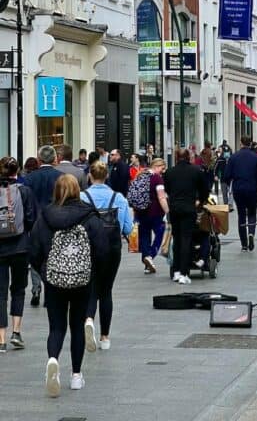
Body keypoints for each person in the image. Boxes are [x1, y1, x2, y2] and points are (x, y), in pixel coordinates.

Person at [29, 174, 109, 396]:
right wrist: (94, 272)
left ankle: (53, 359)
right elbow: (103, 249)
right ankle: (76, 375)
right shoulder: (89, 216)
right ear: (78, 190)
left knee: (56, 327)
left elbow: (33, 250)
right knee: (76, 326)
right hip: (83, 281)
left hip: (54, 280)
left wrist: (45, 271)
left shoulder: (45, 217)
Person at [81, 160, 133, 353]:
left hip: (89, 246)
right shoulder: (118, 198)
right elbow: (127, 227)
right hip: (111, 247)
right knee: (107, 290)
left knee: (91, 287)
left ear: (90, 176)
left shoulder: (82, 197)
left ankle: (88, 319)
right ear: (107, 176)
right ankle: (105, 337)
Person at [0, 157, 36, 352]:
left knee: (0, 292)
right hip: (21, 247)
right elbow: (31, 219)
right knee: (19, 290)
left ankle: (1, 339)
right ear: (18, 171)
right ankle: (16, 332)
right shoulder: (24, 191)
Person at [163, 149, 210, 283]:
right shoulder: (196, 171)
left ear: (176, 158)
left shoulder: (169, 172)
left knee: (176, 239)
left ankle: (176, 270)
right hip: (189, 208)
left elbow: (167, 190)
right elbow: (204, 190)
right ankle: (184, 273)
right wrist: (200, 202)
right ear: (189, 157)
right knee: (186, 240)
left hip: (174, 209)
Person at [25, 145, 61, 308]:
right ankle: (50, 290)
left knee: (35, 257)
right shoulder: (60, 177)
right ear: (55, 159)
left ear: (39, 160)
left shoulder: (30, 179)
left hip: (35, 224)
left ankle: (36, 288)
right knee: (53, 256)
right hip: (55, 222)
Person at [224, 136, 257, 252]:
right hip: (252, 188)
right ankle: (251, 233)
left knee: (241, 215)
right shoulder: (256, 158)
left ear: (241, 143)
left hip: (239, 188)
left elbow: (227, 175)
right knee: (252, 213)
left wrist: (230, 184)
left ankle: (243, 243)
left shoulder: (234, 157)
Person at [136, 158, 169, 274]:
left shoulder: (140, 175)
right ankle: (150, 255)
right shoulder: (157, 178)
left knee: (144, 235)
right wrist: (167, 211)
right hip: (155, 211)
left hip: (141, 211)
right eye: (162, 168)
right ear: (156, 166)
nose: (163, 171)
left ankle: (146, 262)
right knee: (160, 231)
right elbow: (161, 197)